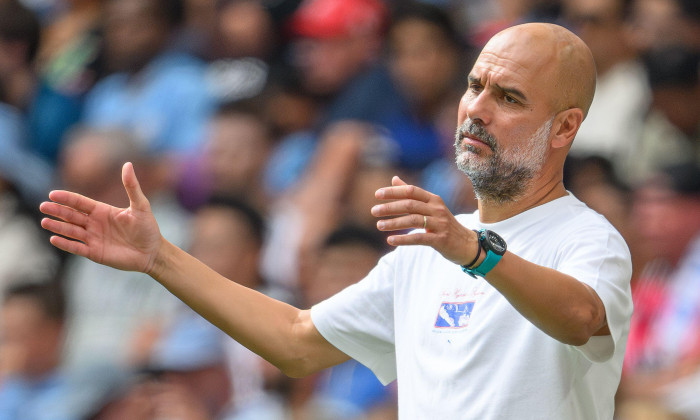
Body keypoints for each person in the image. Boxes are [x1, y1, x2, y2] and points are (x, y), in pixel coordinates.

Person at [39, 22, 633, 419]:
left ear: (565, 128)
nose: (476, 109)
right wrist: (158, 258)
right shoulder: (430, 248)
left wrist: (473, 250)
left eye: (509, 97)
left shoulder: (585, 238)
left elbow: (581, 318)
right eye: (475, 86)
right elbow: (296, 344)